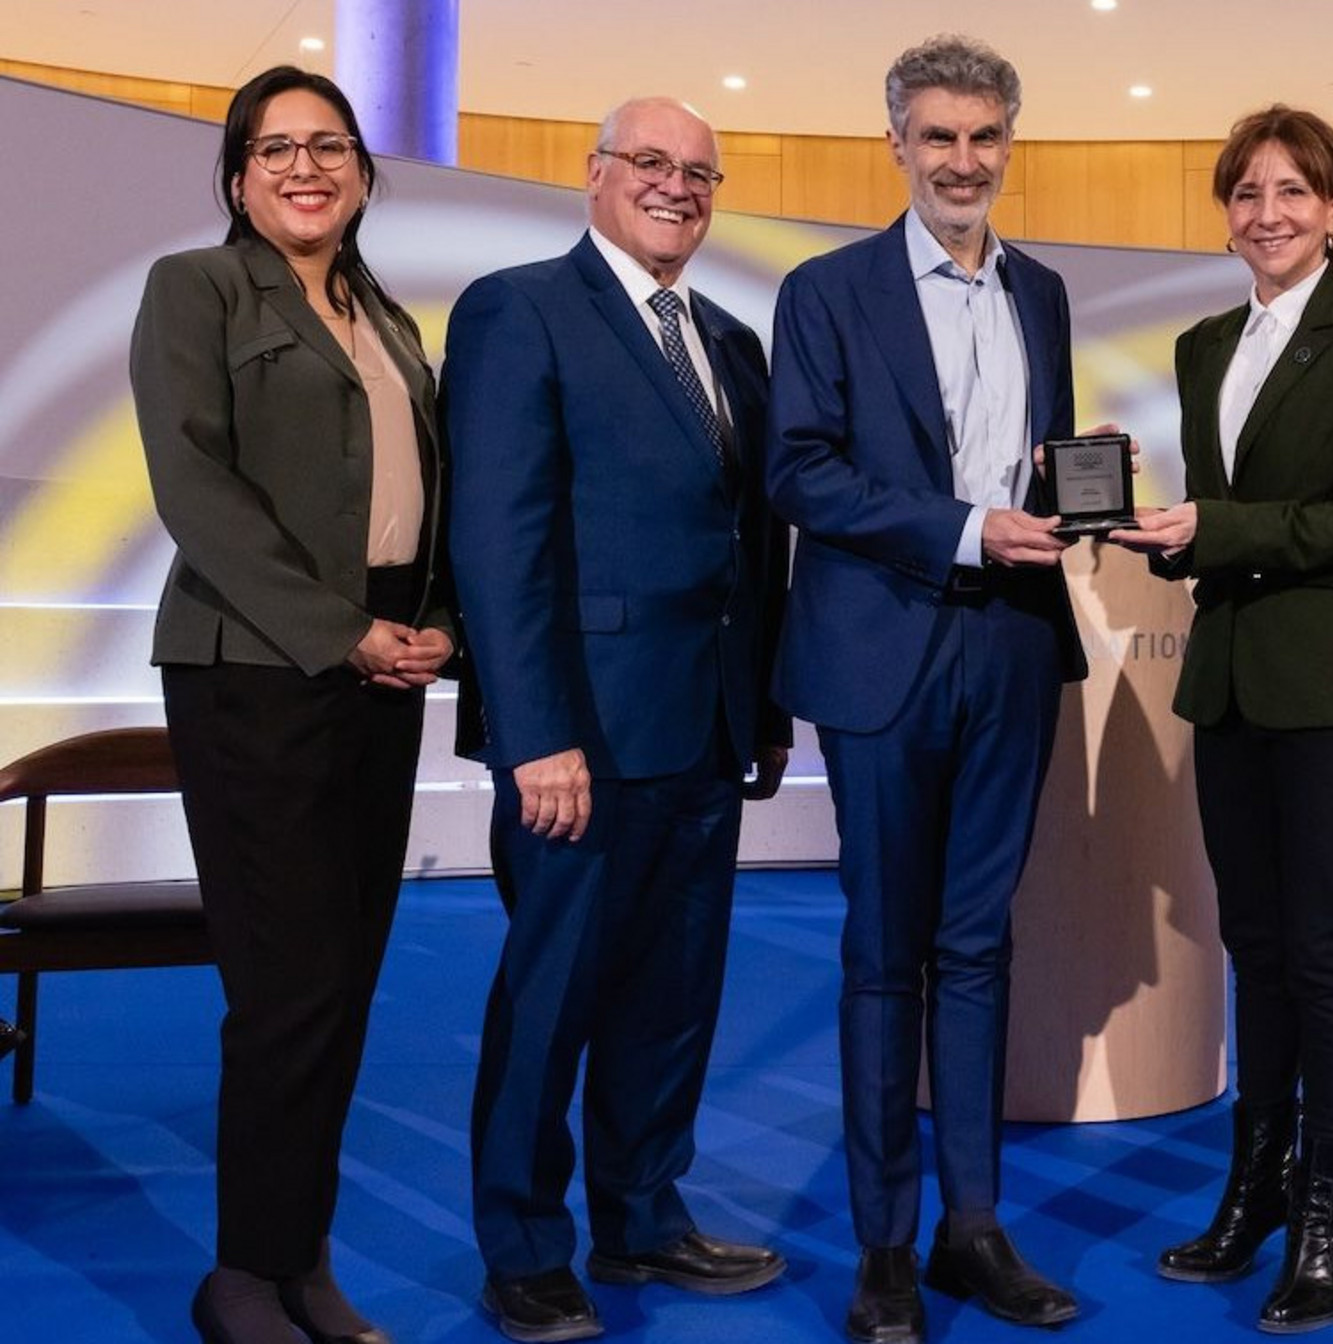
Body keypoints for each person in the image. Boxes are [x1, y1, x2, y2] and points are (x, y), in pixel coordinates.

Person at [444, 95, 793, 1343]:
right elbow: (498, 538)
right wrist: (535, 732)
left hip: (701, 732)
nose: (676, 187)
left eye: (699, 171)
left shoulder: (732, 342)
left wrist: (758, 713)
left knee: (670, 993)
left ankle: (643, 1214)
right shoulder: (516, 307)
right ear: (593, 173)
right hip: (576, 739)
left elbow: (755, 543)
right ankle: (524, 1247)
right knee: (552, 998)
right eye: (650, 163)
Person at [765, 33, 1089, 1344]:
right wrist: (966, 529)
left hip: (1011, 649)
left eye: (985, 137)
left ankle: (972, 1226)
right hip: (881, 650)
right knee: (883, 953)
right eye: (939, 137)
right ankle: (885, 1250)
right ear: (896, 143)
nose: (964, 160)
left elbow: (1044, 463)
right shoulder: (827, 289)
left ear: (1011, 143)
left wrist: (1082, 492)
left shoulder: (1045, 292)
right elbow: (800, 470)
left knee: (977, 945)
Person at [130, 64, 453, 1344]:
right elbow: (194, 489)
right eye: (275, 150)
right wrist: (342, 632)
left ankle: (303, 1261)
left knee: (347, 977)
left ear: (366, 173)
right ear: (237, 176)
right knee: (285, 986)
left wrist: (437, 629)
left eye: (329, 146)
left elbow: (427, 497)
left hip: (380, 666)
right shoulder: (195, 289)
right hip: (257, 666)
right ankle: (243, 1280)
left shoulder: (389, 317)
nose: (304, 167)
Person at [1110, 105, 1333, 1334]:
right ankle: (1250, 1190)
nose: (1268, 213)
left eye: (1294, 190)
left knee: (1321, 950)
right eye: (1245, 192)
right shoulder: (1203, 344)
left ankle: (1325, 1222)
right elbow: (1226, 510)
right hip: (1233, 678)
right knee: (1252, 946)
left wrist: (1217, 529)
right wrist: (1164, 529)